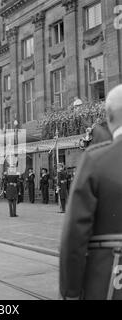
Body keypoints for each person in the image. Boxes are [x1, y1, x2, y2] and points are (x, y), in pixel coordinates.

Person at [60, 84, 122, 300]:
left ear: (110, 118)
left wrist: (70, 293)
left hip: (110, 280)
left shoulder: (96, 159)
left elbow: (74, 235)